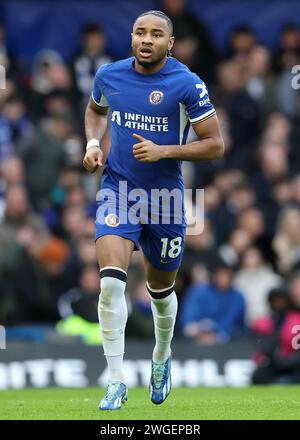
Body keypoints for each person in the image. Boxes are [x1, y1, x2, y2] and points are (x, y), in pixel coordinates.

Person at [83, 10, 224, 410]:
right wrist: (94, 145)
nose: (147, 39)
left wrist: (166, 151)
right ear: (131, 38)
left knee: (160, 293)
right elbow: (96, 110)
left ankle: (161, 357)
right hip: (118, 191)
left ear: (170, 43)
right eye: (140, 32)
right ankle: (115, 381)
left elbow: (215, 144)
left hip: (165, 200)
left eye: (156, 34)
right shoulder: (109, 75)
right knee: (111, 282)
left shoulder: (186, 83)